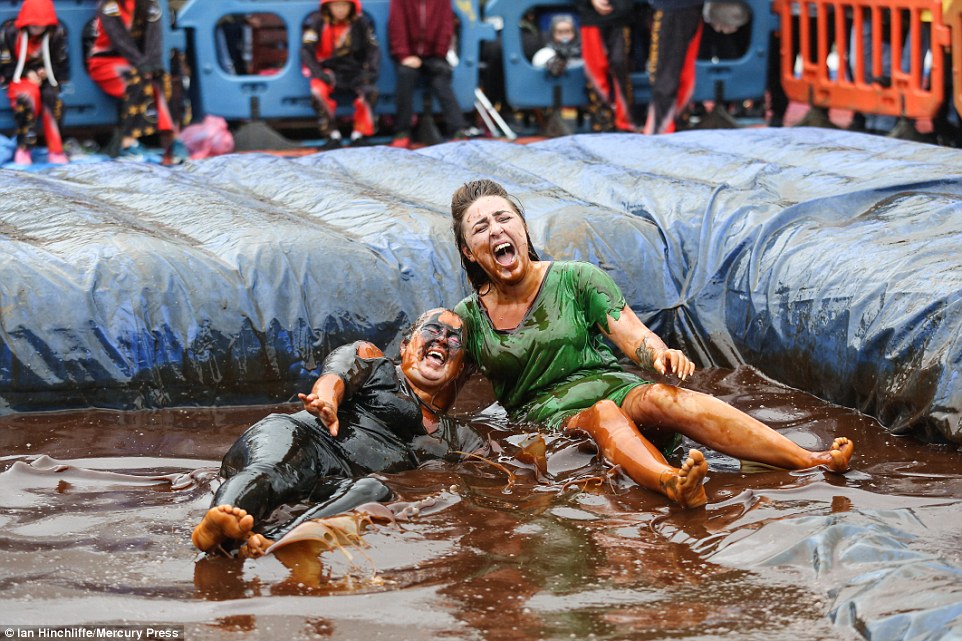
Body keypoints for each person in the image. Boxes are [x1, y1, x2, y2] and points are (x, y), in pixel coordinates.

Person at [449, 179, 855, 509]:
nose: (496, 229)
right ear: (469, 252)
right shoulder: (467, 319)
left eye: (504, 218)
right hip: (549, 424)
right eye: (481, 227)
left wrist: (658, 353)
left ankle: (810, 459)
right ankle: (673, 482)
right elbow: (437, 385)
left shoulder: (576, 279)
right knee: (604, 413)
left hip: (611, 387)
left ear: (521, 226)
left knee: (662, 397)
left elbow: (631, 332)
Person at [191, 308, 485, 557]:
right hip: (303, 438)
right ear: (406, 346)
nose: (443, 340)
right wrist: (326, 401)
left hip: (337, 478)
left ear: (459, 369)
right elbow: (335, 378)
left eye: (454, 339)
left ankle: (277, 541)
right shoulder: (374, 363)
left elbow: (493, 468)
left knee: (374, 491)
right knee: (275, 471)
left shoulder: (456, 437)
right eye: (433, 330)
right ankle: (219, 521)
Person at [86, 0, 186, 164]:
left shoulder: (150, 4)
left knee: (162, 79)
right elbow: (120, 39)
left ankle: (171, 141)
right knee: (136, 79)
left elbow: (155, 38)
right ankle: (127, 141)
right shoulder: (108, 5)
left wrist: (152, 66)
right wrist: (142, 66)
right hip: (107, 63)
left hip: (139, 63)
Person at [387, 0, 477, 148]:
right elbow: (396, 26)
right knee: (405, 76)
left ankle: (458, 129)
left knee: (441, 80)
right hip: (409, 56)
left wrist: (439, 53)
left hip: (435, 55)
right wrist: (403, 55)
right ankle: (402, 131)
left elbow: (446, 26)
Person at [301, 0, 380, 149]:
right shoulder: (318, 22)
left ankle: (359, 135)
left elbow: (373, 49)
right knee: (317, 91)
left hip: (355, 71)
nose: (340, 9)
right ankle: (332, 136)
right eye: (335, 5)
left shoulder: (360, 22)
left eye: (344, 5)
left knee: (370, 91)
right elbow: (306, 50)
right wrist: (318, 73)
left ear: (352, 7)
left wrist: (371, 72)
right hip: (329, 72)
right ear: (328, 7)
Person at [0, 0, 68, 165]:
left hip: (46, 78)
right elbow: (5, 66)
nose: (37, 28)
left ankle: (56, 150)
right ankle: (24, 147)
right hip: (18, 77)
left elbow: (61, 65)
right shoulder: (10, 32)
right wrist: (26, 73)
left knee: (52, 98)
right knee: (28, 96)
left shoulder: (56, 33)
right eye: (33, 24)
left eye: (41, 25)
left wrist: (45, 72)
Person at [643, 0, 704, 135]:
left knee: (667, 72)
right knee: (675, 71)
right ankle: (671, 127)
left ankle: (662, 129)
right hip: (681, 7)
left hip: (676, 7)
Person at [575, 0, 636, 132]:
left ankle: (625, 123)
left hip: (621, 17)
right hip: (591, 17)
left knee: (620, 65)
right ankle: (602, 123)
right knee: (596, 71)